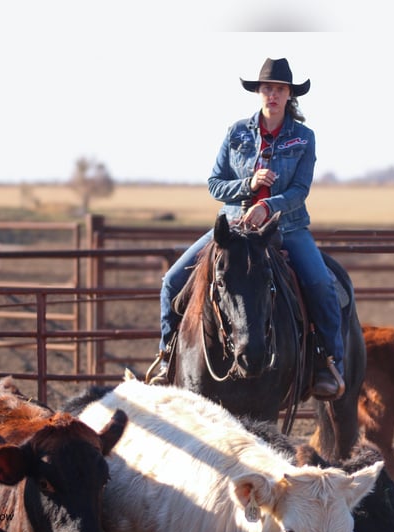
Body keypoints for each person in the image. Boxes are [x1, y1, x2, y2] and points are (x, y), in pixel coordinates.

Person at [145, 57, 344, 399]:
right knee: (172, 281)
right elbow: (214, 183)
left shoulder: (303, 138)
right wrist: (248, 185)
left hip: (288, 227)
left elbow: (300, 191)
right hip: (234, 227)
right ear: (259, 92)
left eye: (280, 89)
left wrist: (268, 205)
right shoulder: (236, 132)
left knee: (321, 284)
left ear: (289, 95)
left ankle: (328, 362)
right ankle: (166, 358)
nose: (273, 95)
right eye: (267, 88)